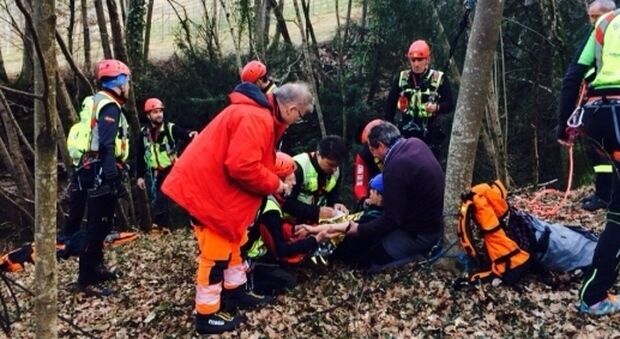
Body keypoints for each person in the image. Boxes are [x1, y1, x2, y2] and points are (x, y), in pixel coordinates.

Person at [161, 82, 314, 334]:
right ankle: (206, 315)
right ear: (292, 108)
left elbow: (256, 160)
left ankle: (235, 294)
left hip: (217, 191)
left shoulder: (257, 114)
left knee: (234, 244)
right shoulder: (257, 117)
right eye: (300, 117)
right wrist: (275, 182)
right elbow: (242, 166)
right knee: (216, 254)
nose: (296, 121)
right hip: (208, 193)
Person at [556, 8, 620, 315]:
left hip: (600, 116)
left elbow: (573, 77)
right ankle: (594, 295)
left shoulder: (606, 23)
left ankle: (594, 293)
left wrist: (564, 126)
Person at [344, 122, 444, 268]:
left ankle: (418, 258)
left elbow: (391, 219)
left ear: (381, 145)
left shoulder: (395, 166)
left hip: (419, 233)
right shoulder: (415, 143)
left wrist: (359, 230)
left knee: (369, 261)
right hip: (431, 221)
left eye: (373, 150)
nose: (374, 156)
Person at [77, 59, 132, 297]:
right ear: (118, 83)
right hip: (102, 169)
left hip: (92, 167)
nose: (128, 86)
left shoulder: (96, 101)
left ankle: (96, 267)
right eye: (127, 82)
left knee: (102, 223)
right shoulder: (110, 106)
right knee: (97, 226)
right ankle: (87, 278)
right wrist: (112, 175)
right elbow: (107, 144)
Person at [135, 97, 197, 228]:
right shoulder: (144, 134)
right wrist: (140, 176)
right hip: (158, 173)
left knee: (184, 199)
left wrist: (190, 134)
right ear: (148, 115)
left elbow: (183, 133)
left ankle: (194, 225)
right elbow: (140, 155)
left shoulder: (170, 128)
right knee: (160, 204)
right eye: (155, 112)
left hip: (173, 170)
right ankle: (165, 229)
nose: (159, 115)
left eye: (160, 111)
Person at [579, 0, 617, 211]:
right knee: (600, 152)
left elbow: (577, 70)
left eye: (595, 17)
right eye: (591, 17)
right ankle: (604, 193)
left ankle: (606, 196)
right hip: (600, 99)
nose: (592, 22)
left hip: (608, 100)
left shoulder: (604, 31)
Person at [384, 40, 453, 154]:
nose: (416, 64)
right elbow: (390, 106)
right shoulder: (402, 78)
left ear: (428, 59)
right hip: (405, 133)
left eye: (420, 60)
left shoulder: (439, 79)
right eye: (413, 60)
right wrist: (388, 131)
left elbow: (449, 104)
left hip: (429, 135)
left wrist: (436, 107)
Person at [283, 135, 348, 224]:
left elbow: (333, 194)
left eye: (337, 165)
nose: (334, 170)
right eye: (330, 164)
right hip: (291, 223)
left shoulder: (335, 170)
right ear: (318, 154)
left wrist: (337, 203)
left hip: (319, 223)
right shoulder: (298, 167)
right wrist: (316, 212)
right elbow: (286, 203)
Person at [64, 96, 96, 238]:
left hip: (97, 169)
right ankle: (70, 235)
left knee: (97, 205)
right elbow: (73, 150)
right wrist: (85, 151)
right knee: (77, 205)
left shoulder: (101, 128)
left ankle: (94, 233)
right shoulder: (76, 129)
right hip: (81, 170)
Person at [353, 119, 384, 206]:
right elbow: (360, 184)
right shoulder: (364, 155)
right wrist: (364, 199)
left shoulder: (399, 151)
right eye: (370, 146)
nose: (373, 150)